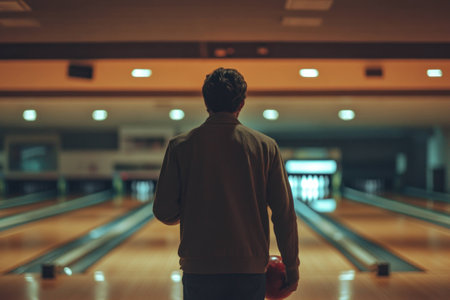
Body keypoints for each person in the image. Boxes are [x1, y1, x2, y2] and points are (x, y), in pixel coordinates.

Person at [153, 67, 299, 300]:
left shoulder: (180, 146)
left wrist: (193, 207)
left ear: (205, 103)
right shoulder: (266, 146)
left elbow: (163, 211)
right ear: (241, 103)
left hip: (199, 268)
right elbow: (284, 213)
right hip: (249, 270)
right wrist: (291, 266)